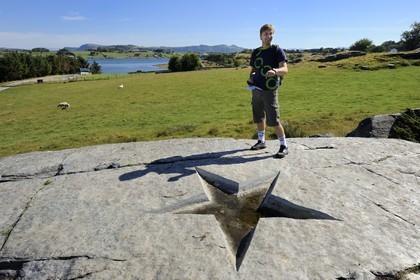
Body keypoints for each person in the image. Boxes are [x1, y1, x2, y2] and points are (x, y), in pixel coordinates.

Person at [248, 23, 289, 158]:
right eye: (266, 34)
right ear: (260, 36)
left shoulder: (277, 50)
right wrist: (251, 78)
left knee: (274, 119)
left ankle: (284, 146)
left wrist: (275, 71)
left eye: (271, 33)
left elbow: (285, 69)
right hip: (256, 89)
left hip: (270, 90)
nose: (269, 36)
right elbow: (253, 70)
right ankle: (261, 141)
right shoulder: (256, 52)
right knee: (258, 116)